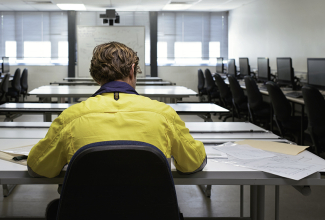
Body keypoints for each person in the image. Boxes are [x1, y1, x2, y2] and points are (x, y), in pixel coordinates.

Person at [27, 41, 207, 178]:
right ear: (132, 70)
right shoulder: (164, 114)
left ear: (96, 76)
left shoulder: (71, 117)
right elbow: (193, 163)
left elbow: (38, 167)